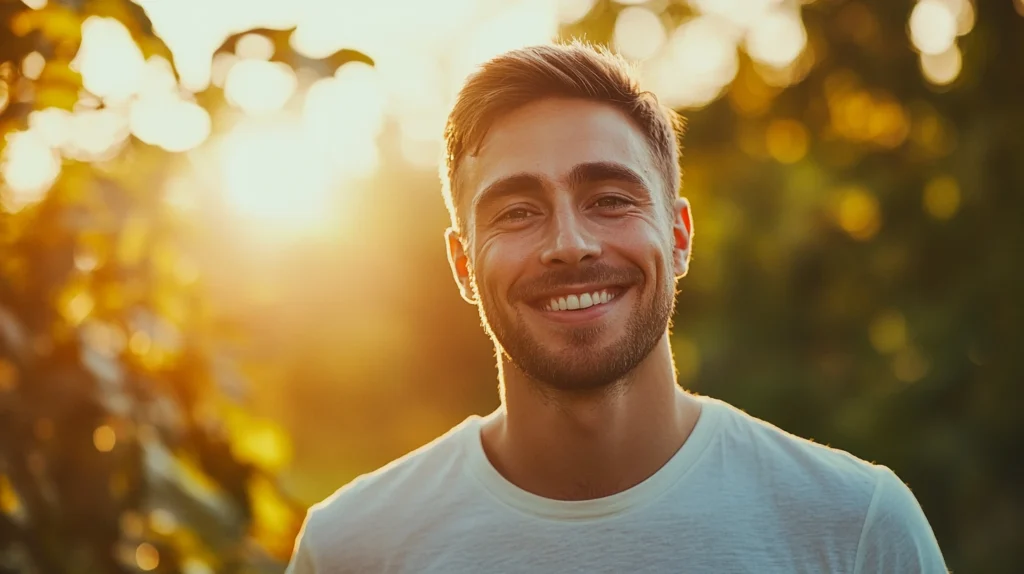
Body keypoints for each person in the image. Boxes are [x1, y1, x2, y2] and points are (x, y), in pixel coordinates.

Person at [285, 42, 947, 573]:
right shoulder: (352, 550)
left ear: (680, 236)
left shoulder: (857, 528)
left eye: (610, 199)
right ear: (463, 264)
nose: (569, 245)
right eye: (518, 212)